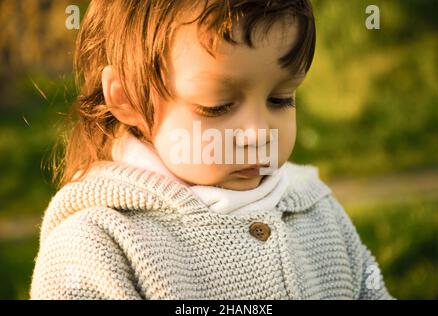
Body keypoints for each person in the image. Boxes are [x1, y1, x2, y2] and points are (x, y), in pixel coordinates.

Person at [30, 0, 393, 299]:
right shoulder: (98, 245)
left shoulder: (316, 209)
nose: (257, 133)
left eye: (280, 99)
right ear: (127, 99)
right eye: (217, 106)